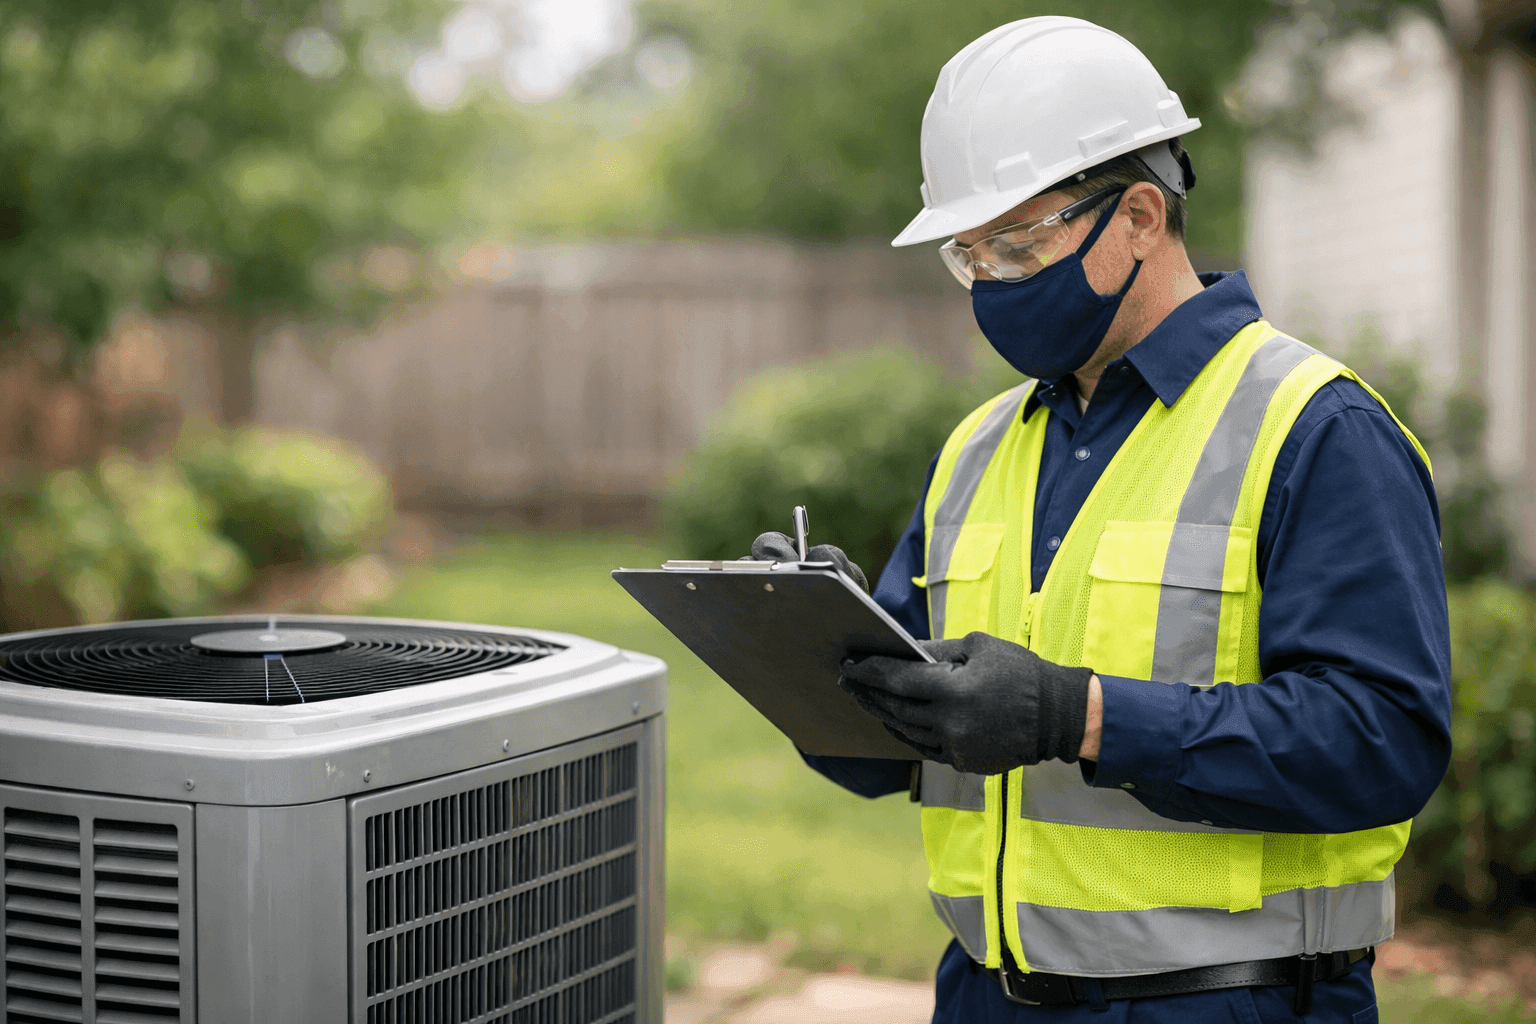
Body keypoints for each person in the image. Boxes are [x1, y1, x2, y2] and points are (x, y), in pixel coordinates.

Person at [745, 16, 1452, 1023]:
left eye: (1019, 241)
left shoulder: (1316, 428)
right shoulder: (979, 448)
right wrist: (814, 651)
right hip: (986, 998)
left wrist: (1075, 716)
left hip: (1231, 1006)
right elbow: (899, 749)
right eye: (970, 254)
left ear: (1139, 217)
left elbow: (1382, 742)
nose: (990, 279)